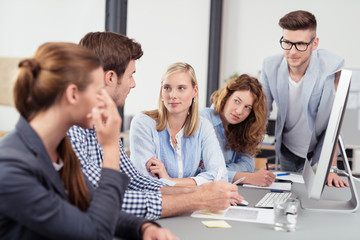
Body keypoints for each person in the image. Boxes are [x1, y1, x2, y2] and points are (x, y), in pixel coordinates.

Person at [0, 42, 176, 239]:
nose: (105, 100)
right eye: (98, 91)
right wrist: (110, 149)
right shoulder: (11, 167)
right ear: (73, 94)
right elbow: (95, 233)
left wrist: (143, 228)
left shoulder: (60, 151)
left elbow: (94, 207)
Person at [67, 31, 243, 220]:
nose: (133, 84)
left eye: (181, 88)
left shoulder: (101, 120)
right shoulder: (72, 127)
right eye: (131, 75)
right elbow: (103, 199)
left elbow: (133, 179)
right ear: (110, 77)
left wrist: (191, 192)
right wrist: (197, 198)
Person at [259, 10, 348, 187]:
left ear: (314, 43)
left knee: (319, 199)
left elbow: (333, 119)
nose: (292, 51)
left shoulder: (332, 66)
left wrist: (330, 168)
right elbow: (261, 112)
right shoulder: (270, 66)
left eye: (300, 44)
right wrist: (245, 156)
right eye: (287, 43)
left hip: (319, 152)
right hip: (288, 151)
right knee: (289, 198)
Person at [130, 62, 228, 186]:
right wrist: (196, 184)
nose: (172, 95)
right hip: (154, 204)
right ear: (162, 91)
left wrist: (169, 180)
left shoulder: (203, 126)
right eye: (167, 88)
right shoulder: (143, 123)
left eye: (181, 88)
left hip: (192, 203)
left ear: (194, 91)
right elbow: (146, 183)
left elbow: (220, 175)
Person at [200, 74, 276, 187]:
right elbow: (200, 174)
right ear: (226, 96)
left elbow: (248, 164)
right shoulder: (203, 120)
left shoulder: (242, 127)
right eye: (236, 101)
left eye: (247, 107)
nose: (240, 111)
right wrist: (248, 177)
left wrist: (220, 170)